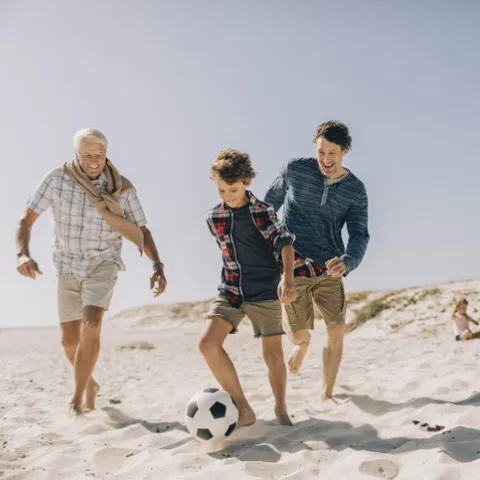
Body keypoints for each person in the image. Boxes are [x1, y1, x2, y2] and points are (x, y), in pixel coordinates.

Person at [16, 128, 167, 416]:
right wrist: (23, 253)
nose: (94, 160)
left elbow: (142, 231)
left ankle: (77, 398)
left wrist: (157, 266)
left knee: (93, 325)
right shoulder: (57, 179)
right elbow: (27, 219)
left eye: (99, 155)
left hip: (103, 263)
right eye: (87, 155)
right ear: (76, 154)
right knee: (70, 341)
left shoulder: (122, 189)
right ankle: (90, 384)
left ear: (106, 155)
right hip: (66, 265)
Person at [199, 148, 312, 427]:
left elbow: (284, 242)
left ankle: (281, 409)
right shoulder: (214, 217)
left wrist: (287, 278)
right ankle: (243, 407)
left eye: (233, 189)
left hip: (265, 291)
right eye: (221, 190)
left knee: (273, 355)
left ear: (247, 182)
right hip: (232, 290)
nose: (227, 195)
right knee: (207, 344)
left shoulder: (262, 211)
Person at [265, 121, 370, 401]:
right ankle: (302, 345)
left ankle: (327, 392)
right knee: (298, 335)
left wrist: (348, 260)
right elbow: (268, 205)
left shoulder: (355, 190)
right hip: (293, 262)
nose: (325, 159)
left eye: (332, 153)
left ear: (345, 151)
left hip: (329, 265)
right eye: (321, 151)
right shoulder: (296, 169)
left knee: (337, 328)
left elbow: (359, 233)